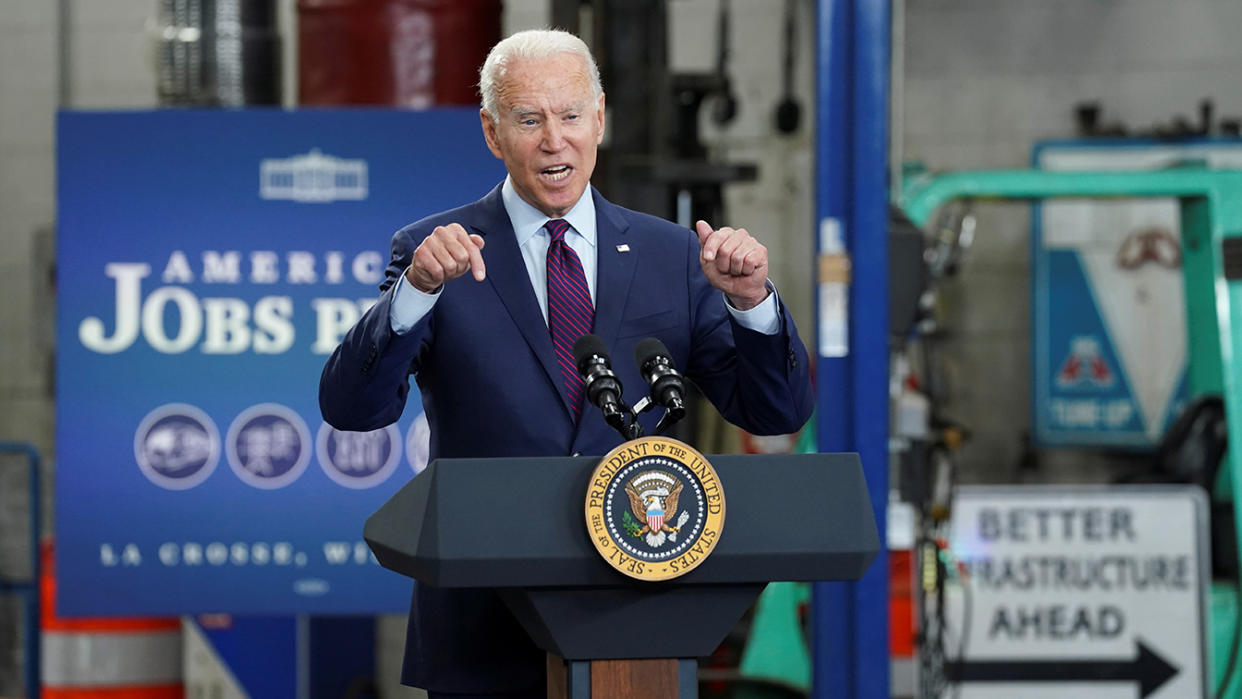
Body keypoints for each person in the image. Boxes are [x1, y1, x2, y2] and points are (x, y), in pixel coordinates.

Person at [319, 29, 814, 698]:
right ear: (494, 133)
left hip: (639, 621)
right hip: (483, 630)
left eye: (571, 115)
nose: (555, 140)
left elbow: (776, 409)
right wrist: (415, 293)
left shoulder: (671, 256)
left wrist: (753, 302)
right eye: (530, 119)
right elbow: (352, 409)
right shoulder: (433, 253)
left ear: (600, 119)